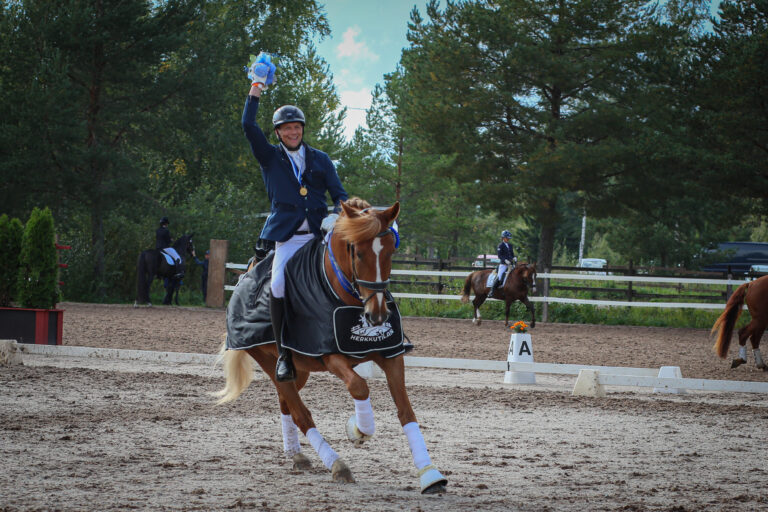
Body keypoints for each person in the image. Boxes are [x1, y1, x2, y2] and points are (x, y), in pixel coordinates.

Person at [242, 53, 348, 382]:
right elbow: (247, 125)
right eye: (286, 128)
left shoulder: (320, 159)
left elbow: (340, 195)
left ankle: (357, 337)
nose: (292, 132)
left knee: (353, 271)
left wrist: (335, 216)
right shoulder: (269, 158)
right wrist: (256, 87)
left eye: (296, 127)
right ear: (277, 132)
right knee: (276, 283)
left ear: (302, 129)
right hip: (288, 238)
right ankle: (285, 355)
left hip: (319, 236)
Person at [491, 230, 516, 294]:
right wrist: (505, 260)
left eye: (508, 238)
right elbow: (499, 255)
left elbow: (512, 254)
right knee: (499, 277)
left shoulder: (510, 245)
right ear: (503, 238)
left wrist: (514, 257)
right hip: (503, 264)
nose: (508, 239)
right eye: (507, 238)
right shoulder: (500, 245)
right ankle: (492, 291)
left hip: (510, 264)